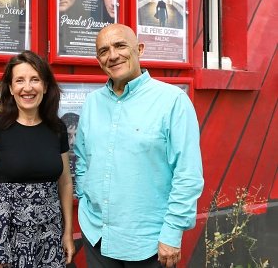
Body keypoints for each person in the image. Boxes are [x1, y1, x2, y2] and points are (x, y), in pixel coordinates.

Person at [74, 24, 204, 268]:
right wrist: (84, 196)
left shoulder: (172, 101)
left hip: (149, 243)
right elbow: (82, 157)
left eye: (120, 46)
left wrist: (172, 232)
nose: (112, 55)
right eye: (104, 51)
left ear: (139, 49)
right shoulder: (92, 103)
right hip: (97, 235)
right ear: (98, 59)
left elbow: (187, 174)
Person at [0, 50, 75, 267]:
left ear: (45, 86)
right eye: (19, 80)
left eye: (35, 80)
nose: (27, 88)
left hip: (50, 231)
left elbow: (65, 182)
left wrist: (68, 232)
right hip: (6, 232)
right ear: (11, 88)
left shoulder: (56, 128)